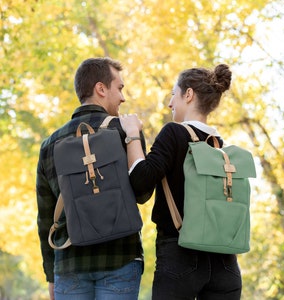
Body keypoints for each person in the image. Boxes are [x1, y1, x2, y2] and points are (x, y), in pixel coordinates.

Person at [120, 64, 242, 299]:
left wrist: (132, 134)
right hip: (225, 263)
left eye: (173, 94)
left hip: (180, 256)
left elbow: (140, 182)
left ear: (189, 94)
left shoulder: (174, 133)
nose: (170, 103)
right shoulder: (218, 144)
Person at [36, 57, 147, 300]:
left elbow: (45, 219)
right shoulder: (126, 131)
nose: (123, 97)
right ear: (101, 88)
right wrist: (134, 138)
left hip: (69, 265)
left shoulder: (50, 145)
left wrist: (51, 277)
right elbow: (142, 193)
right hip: (121, 259)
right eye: (120, 88)